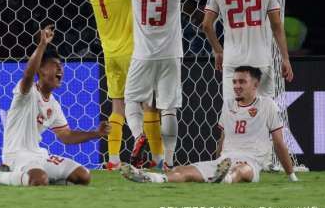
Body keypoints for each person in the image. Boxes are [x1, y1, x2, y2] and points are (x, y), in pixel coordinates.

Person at [104, 0, 203, 171]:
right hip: (171, 54)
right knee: (168, 107)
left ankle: (139, 134)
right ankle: (168, 161)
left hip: (143, 55)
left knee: (130, 100)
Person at [67, 0, 163, 170]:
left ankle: (112, 160)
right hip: (132, 51)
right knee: (148, 104)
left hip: (109, 54)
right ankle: (159, 158)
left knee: (117, 106)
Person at [122, 66, 299, 184]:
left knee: (241, 170)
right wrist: (217, 160)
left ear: (255, 85)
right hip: (223, 161)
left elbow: (278, 142)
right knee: (183, 170)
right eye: (235, 81)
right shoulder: (228, 105)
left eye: (242, 82)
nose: (236, 86)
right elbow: (222, 139)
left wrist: (290, 174)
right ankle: (152, 178)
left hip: (251, 161)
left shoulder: (267, 105)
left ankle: (227, 178)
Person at [0, 25, 110, 186]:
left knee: (83, 176)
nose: (60, 69)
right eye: (55, 65)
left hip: (39, 155)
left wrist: (96, 133)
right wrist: (42, 44)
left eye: (61, 66)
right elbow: (28, 73)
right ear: (41, 70)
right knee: (38, 180)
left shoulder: (54, 104)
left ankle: (45, 178)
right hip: (16, 156)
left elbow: (66, 136)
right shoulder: (27, 93)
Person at [201, 0, 294, 102]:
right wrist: (285, 58)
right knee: (266, 115)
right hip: (261, 61)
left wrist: (218, 51)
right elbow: (277, 26)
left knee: (234, 115)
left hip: (233, 62)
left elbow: (206, 25)